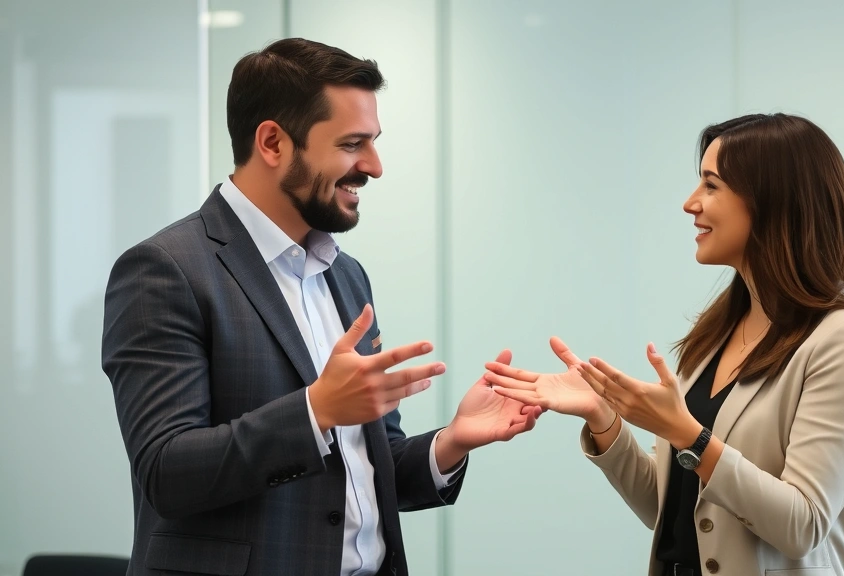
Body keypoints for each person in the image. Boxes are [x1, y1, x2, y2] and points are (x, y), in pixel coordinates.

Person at [101, 37, 541, 576]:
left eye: (374, 142)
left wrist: (451, 442)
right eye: (353, 143)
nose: (375, 166)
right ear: (273, 143)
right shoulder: (165, 269)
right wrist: (316, 411)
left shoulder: (347, 276)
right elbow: (166, 473)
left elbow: (364, 471)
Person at [483, 113, 844, 576]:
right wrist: (603, 417)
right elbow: (669, 511)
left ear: (772, 199)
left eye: (711, 185)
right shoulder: (717, 330)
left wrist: (689, 435)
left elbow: (801, 525)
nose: (689, 203)